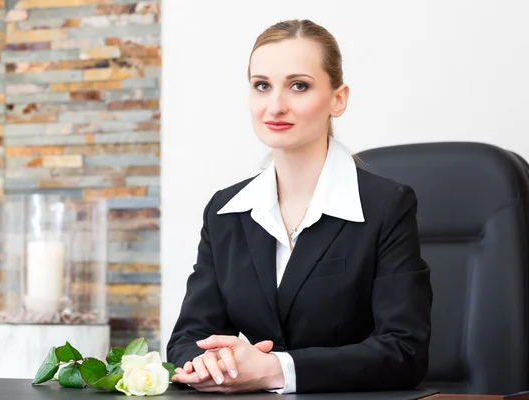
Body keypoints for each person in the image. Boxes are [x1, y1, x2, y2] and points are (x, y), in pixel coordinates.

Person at [166, 19, 432, 394]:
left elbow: (404, 351)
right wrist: (210, 362)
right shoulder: (225, 211)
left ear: (338, 99)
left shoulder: (387, 207)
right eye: (262, 86)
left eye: (298, 86)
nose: (275, 106)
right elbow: (188, 338)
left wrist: (275, 370)